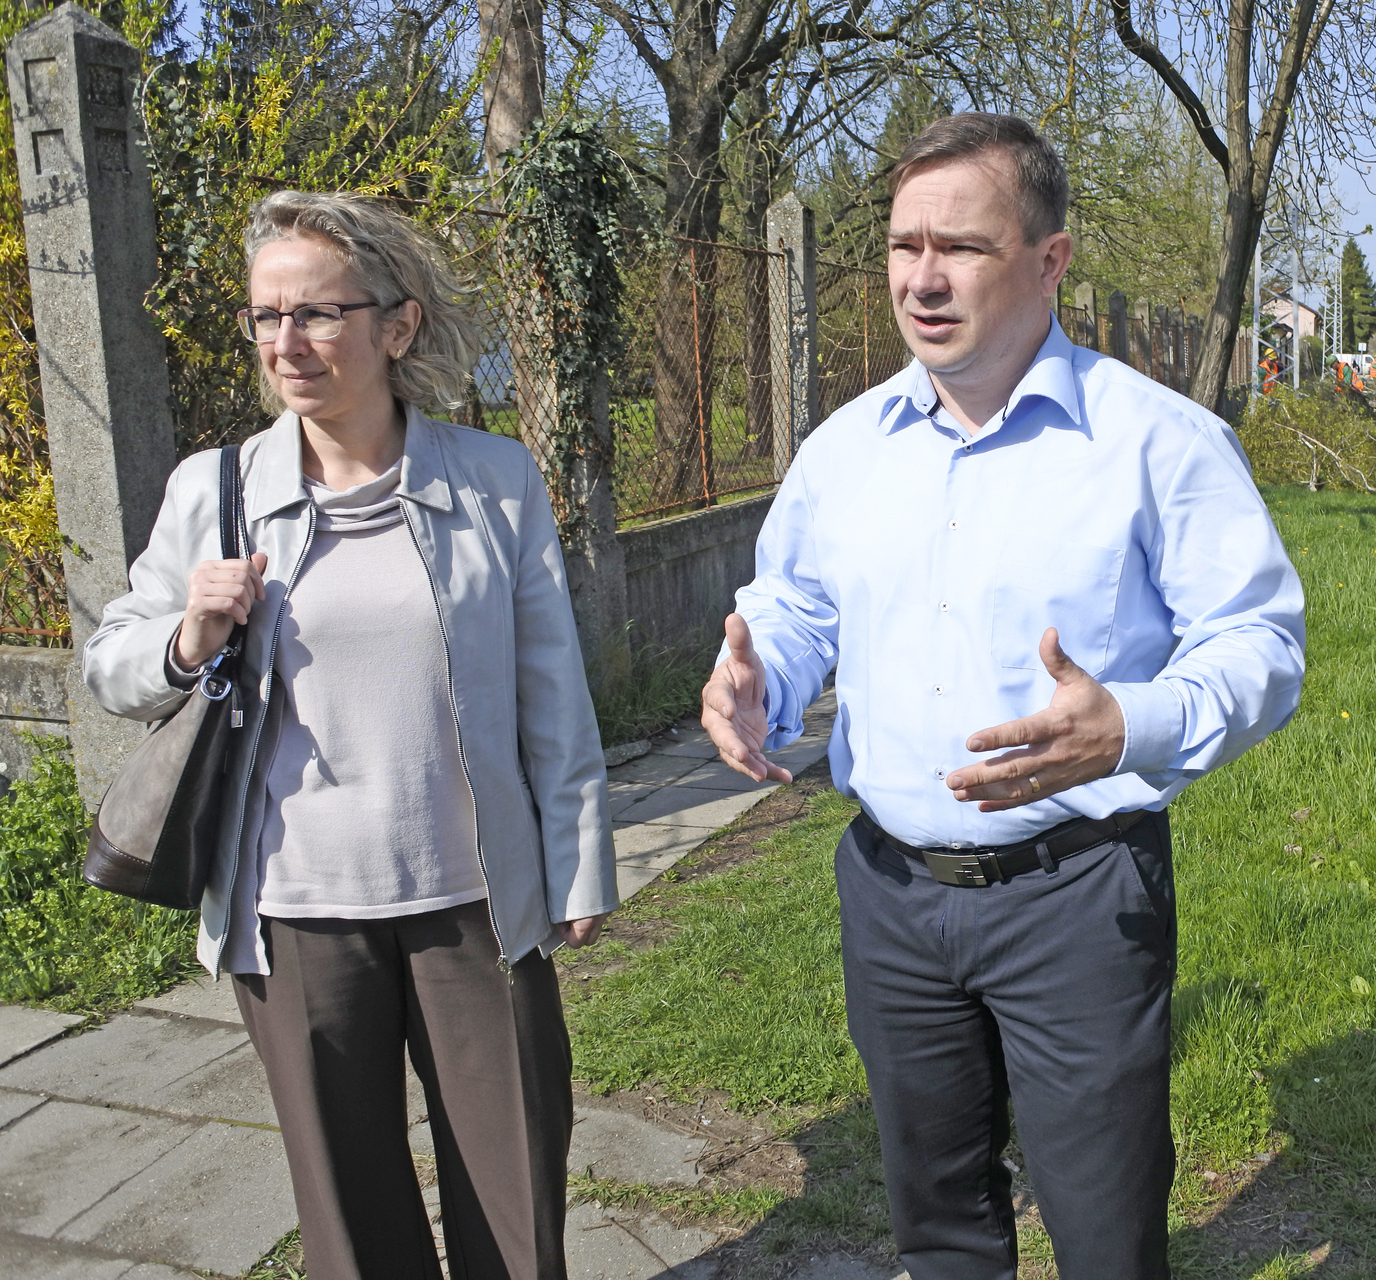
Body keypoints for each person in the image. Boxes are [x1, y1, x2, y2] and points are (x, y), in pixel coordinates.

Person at [701, 114, 1305, 1279]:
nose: (922, 279)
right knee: (938, 1226)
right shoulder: (845, 449)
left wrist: (1130, 724)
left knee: (1105, 1230)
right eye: (904, 245)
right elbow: (799, 607)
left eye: (963, 248)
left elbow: (1260, 641)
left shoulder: (1156, 443)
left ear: (1049, 260)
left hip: (1076, 895)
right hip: (891, 897)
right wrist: (759, 678)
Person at [84, 191, 616, 1280]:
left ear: (397, 325)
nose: (287, 342)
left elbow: (551, 691)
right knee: (352, 1221)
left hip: (475, 902)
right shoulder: (216, 491)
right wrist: (188, 635)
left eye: (318, 313)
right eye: (266, 315)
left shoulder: (496, 481)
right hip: (296, 915)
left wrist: (576, 862)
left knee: (516, 1202)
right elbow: (111, 663)